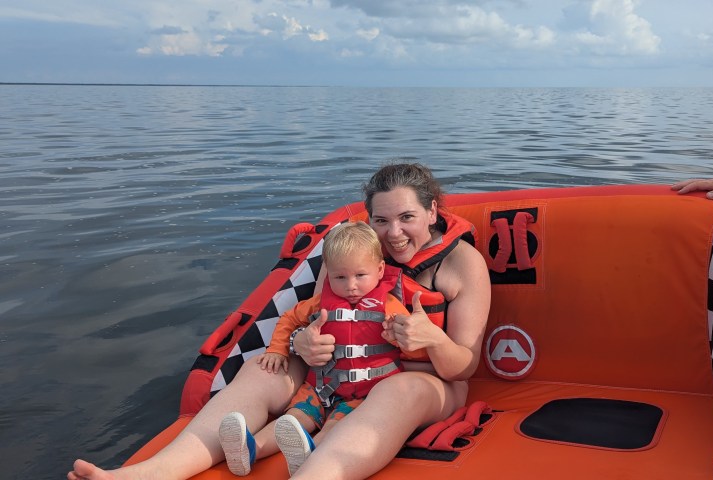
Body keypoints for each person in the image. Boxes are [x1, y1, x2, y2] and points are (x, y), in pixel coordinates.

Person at [68, 162, 491, 480]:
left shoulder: (461, 264)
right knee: (261, 368)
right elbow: (313, 317)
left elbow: (464, 366)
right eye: (381, 220)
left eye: (407, 218)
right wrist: (305, 343)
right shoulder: (353, 255)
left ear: (432, 212)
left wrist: (431, 339)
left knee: (399, 389)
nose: (393, 233)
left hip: (426, 381)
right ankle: (151, 472)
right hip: (337, 374)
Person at [219, 221, 410, 476]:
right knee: (293, 418)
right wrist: (277, 350)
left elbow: (411, 342)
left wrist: (397, 336)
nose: (350, 285)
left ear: (379, 270)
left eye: (360, 276)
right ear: (328, 274)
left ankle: (311, 455)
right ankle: (250, 449)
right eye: (340, 277)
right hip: (321, 384)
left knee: (335, 425)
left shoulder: (390, 306)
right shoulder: (320, 303)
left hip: (365, 393)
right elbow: (289, 319)